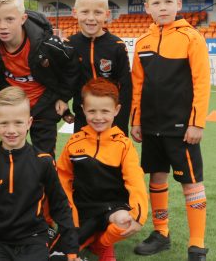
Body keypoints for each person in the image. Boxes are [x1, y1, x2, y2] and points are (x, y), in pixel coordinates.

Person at [130, 0, 210, 261]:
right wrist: (136, 120)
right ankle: (161, 233)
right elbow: (137, 85)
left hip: (182, 128)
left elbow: (202, 82)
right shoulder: (142, 43)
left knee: (191, 182)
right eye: (156, 3)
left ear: (178, 4)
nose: (162, 8)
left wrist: (197, 123)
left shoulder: (192, 38)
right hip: (151, 126)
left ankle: (197, 244)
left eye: (167, 2)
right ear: (147, 7)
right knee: (157, 176)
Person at [0, 87, 79, 261]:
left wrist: (71, 249)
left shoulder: (44, 161)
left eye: (18, 123)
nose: (11, 130)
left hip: (34, 240)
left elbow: (60, 205)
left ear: (29, 122)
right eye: (4, 123)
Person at [55, 78, 147, 261]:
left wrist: (139, 216)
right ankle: (88, 238)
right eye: (92, 111)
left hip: (113, 208)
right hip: (83, 210)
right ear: (83, 109)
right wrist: (70, 216)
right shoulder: (74, 143)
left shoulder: (124, 145)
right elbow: (62, 180)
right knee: (60, 254)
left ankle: (103, 244)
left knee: (125, 221)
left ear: (116, 110)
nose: (98, 117)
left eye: (105, 111)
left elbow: (135, 181)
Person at [0, 0, 78, 156]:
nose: (2, 26)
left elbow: (71, 66)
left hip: (43, 106)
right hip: (13, 108)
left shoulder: (47, 44)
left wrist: (63, 97)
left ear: (23, 18)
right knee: (10, 156)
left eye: (9, 19)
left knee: (44, 158)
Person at [65, 0, 131, 134]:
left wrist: (121, 123)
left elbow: (126, 88)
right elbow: (64, 81)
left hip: (112, 119)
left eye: (98, 12)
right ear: (75, 13)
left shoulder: (117, 45)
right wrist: (64, 108)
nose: (91, 18)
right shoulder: (69, 45)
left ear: (107, 14)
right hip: (83, 118)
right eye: (85, 12)